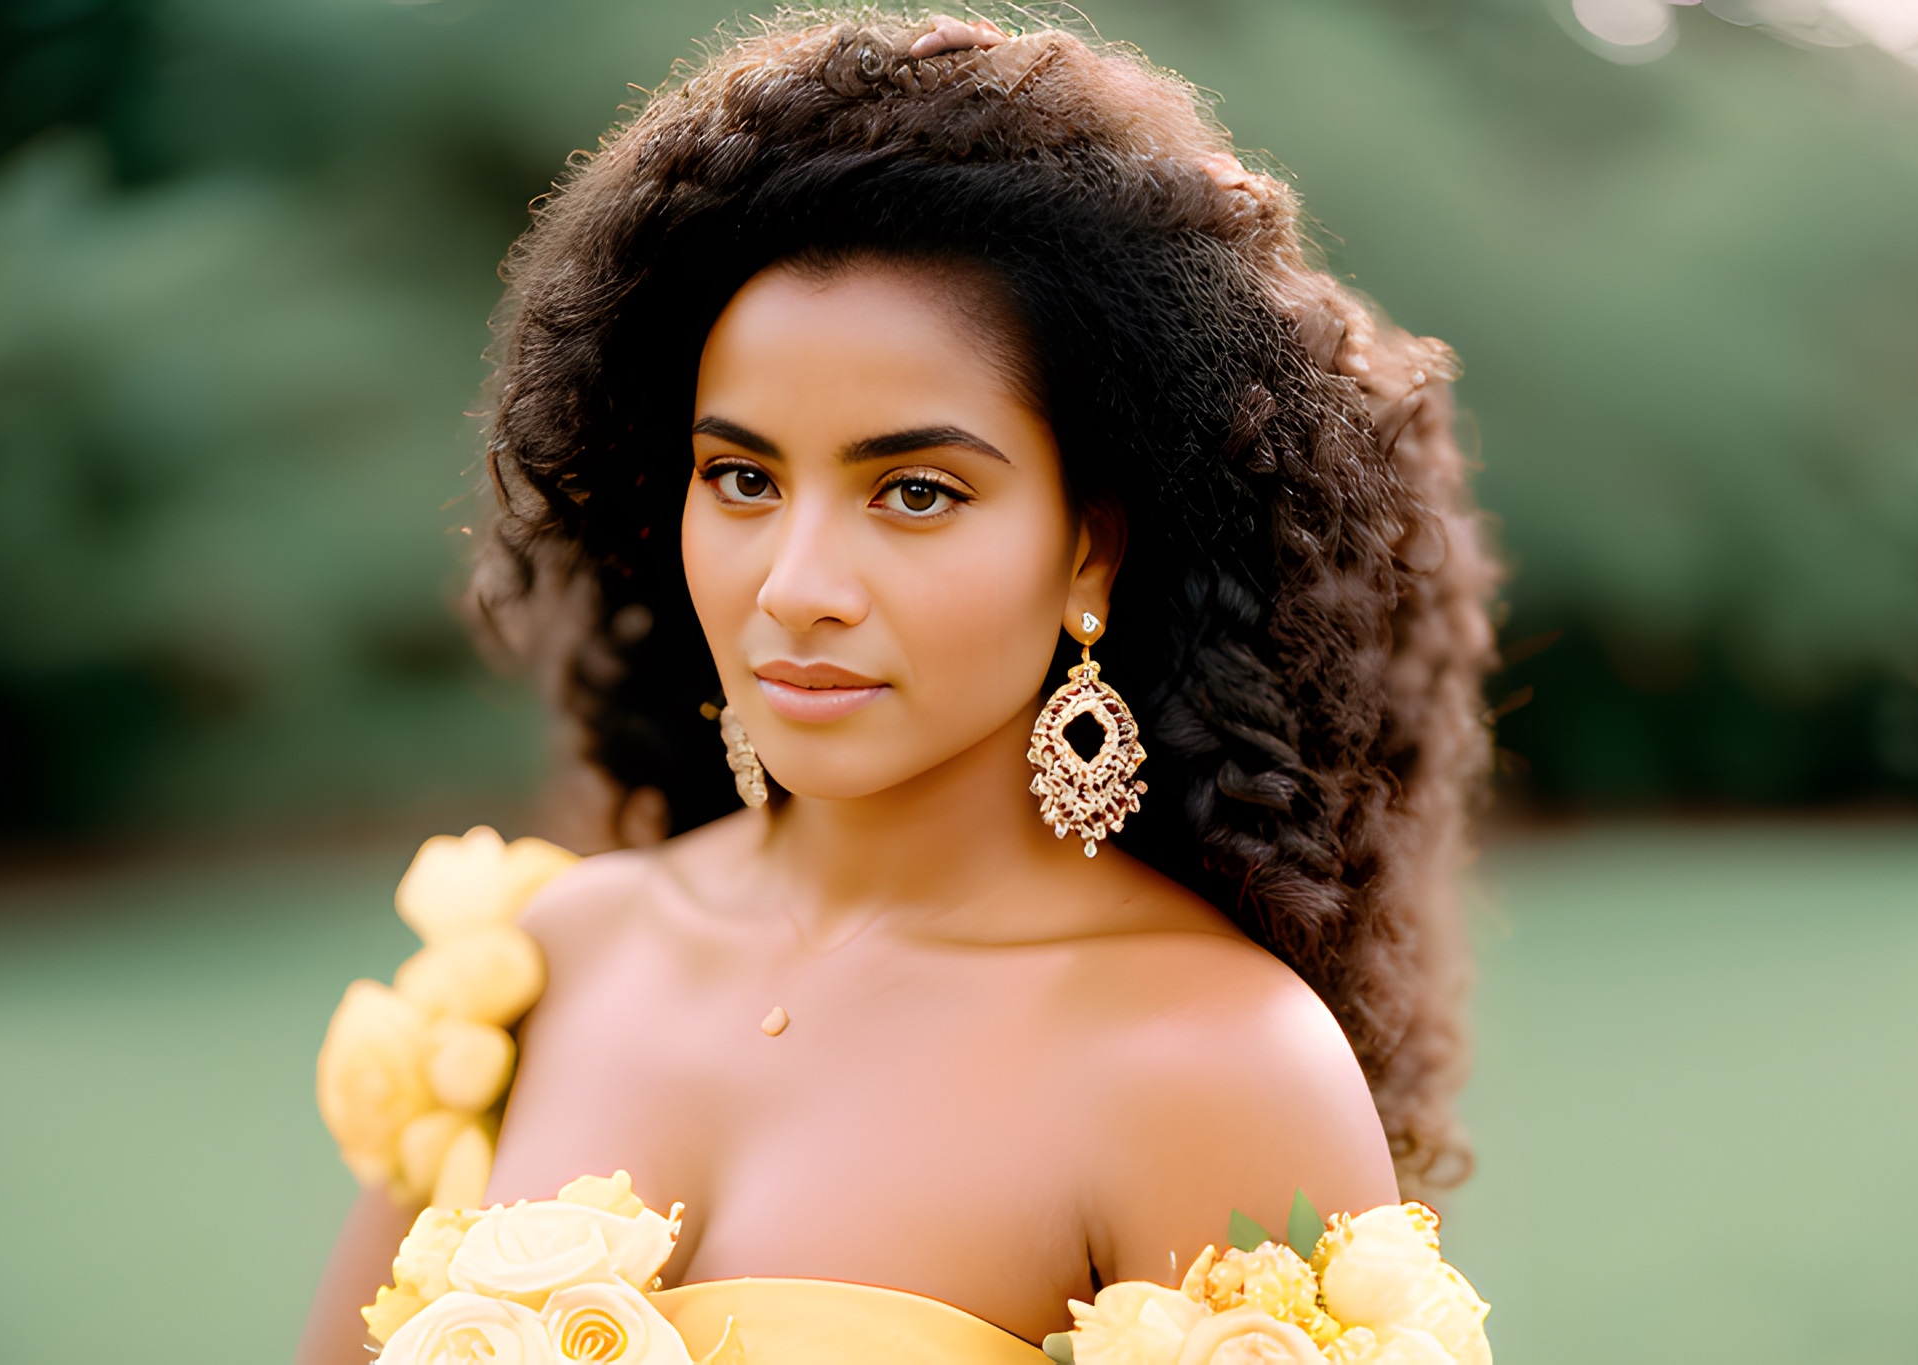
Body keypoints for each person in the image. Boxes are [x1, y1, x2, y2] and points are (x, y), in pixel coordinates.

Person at [301, 10, 1498, 1359]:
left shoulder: (1206, 1062)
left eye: (915, 492)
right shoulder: (540, 966)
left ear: (1088, 548)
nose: (795, 581)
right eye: (741, 478)